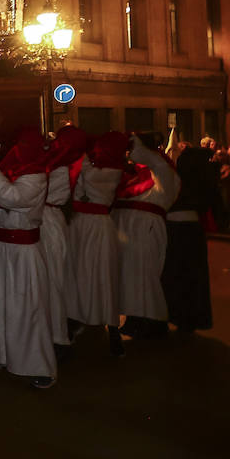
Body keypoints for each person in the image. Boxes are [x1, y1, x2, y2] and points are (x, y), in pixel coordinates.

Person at [0, 130, 56, 387]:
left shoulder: (35, 176)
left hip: (22, 251)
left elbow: (12, 197)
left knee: (27, 307)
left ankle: (37, 365)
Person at [66, 131, 127, 356]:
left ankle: (93, 323)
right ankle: (102, 326)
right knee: (93, 273)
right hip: (94, 224)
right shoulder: (112, 169)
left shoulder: (99, 168)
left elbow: (81, 181)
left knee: (90, 273)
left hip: (89, 225)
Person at [116, 134, 181, 340]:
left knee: (145, 277)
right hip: (129, 232)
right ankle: (136, 318)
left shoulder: (164, 171)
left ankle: (153, 322)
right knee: (130, 278)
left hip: (146, 230)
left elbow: (154, 163)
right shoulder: (135, 174)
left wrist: (138, 148)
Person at [40, 125, 88, 359]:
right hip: (55, 219)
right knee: (57, 276)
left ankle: (56, 334)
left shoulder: (56, 164)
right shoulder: (77, 161)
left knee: (51, 279)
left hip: (47, 221)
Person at [162, 146, 216, 332]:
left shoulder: (179, 180)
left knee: (175, 273)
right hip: (192, 229)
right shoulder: (204, 180)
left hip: (176, 229)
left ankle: (176, 314)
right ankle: (190, 318)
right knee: (192, 275)